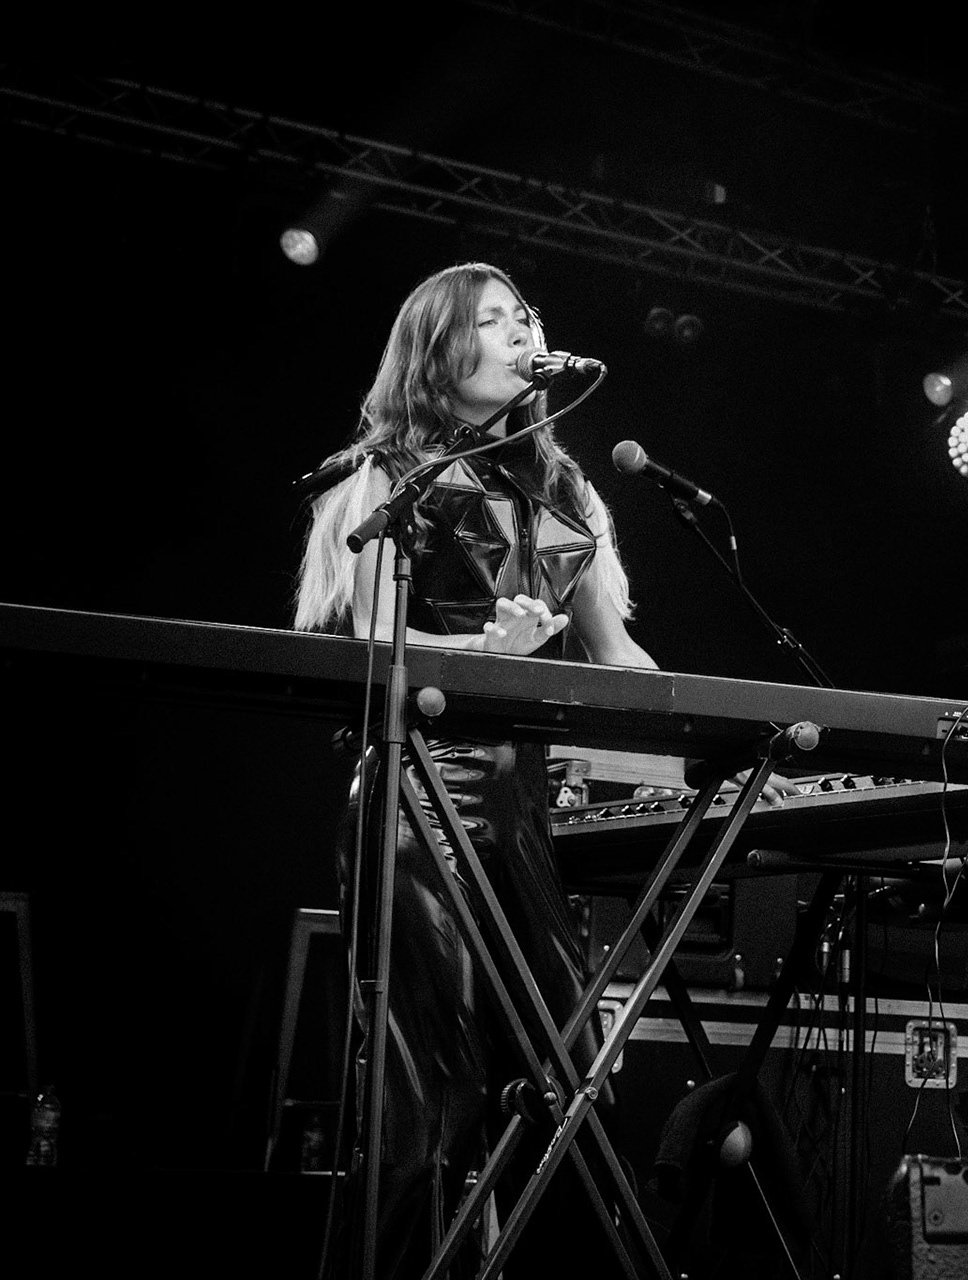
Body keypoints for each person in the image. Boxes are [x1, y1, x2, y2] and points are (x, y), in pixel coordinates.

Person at [294, 261, 662, 1275]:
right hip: (416, 800)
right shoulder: (378, 475)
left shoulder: (564, 486)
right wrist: (485, 657)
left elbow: (615, 653)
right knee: (425, 1104)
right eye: (492, 319)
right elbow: (361, 641)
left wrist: (715, 730)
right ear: (439, 348)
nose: (520, 330)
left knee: (565, 1083)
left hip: (519, 809)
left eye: (526, 315)